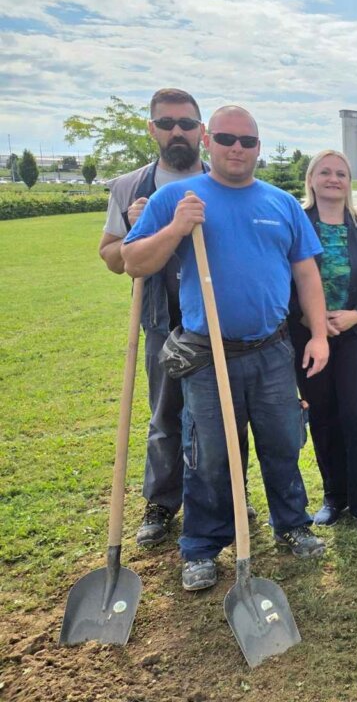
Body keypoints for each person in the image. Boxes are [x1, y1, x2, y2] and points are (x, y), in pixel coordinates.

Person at [122, 105, 329, 591]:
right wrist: (176, 228)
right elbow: (133, 262)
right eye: (228, 139)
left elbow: (306, 273)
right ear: (209, 141)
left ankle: (292, 526)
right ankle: (201, 546)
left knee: (283, 443)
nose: (238, 148)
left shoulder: (282, 203)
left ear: (259, 148)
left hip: (272, 350)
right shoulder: (176, 197)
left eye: (248, 141)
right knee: (209, 454)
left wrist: (318, 334)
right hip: (208, 355)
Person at [98, 88, 211, 547]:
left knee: (216, 416)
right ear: (153, 129)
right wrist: (133, 226)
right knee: (165, 415)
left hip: (211, 319)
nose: (177, 132)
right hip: (160, 320)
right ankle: (161, 504)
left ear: (201, 131)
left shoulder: (217, 178)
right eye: (167, 123)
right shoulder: (130, 187)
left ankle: (222, 495)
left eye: (186, 123)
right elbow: (110, 256)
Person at [287, 150, 357, 533]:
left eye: (342, 173)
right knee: (323, 415)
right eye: (325, 172)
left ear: (350, 182)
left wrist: (355, 315)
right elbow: (281, 276)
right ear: (311, 178)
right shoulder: (296, 223)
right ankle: (334, 496)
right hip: (308, 337)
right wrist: (309, 318)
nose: (333, 178)